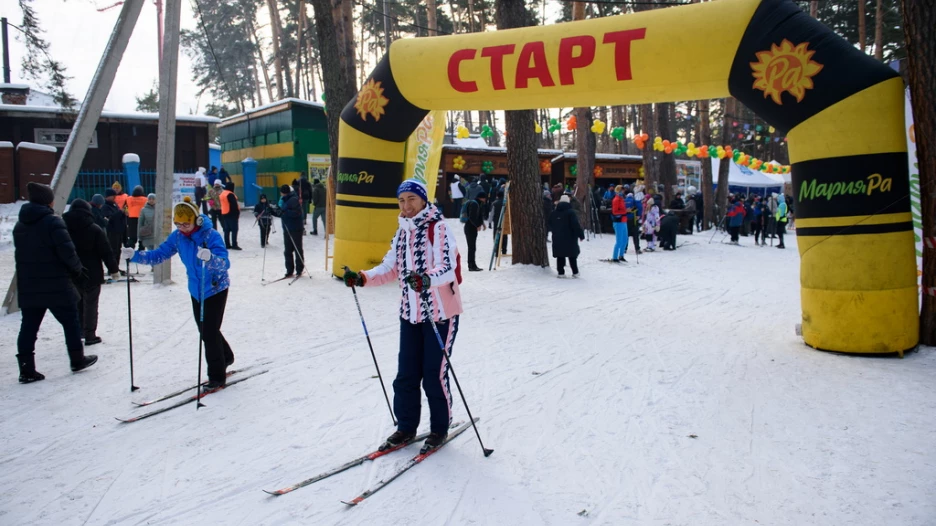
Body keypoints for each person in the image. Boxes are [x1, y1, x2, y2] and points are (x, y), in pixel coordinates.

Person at [341, 179, 463, 452]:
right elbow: (389, 267)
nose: (406, 205)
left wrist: (426, 280)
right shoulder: (402, 232)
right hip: (410, 314)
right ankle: (405, 427)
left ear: (423, 200)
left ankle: (439, 429)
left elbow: (448, 268)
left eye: (411, 199)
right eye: (401, 200)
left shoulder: (439, 227)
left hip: (439, 315)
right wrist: (362, 278)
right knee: (406, 375)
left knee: (434, 374)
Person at [121, 197, 234, 390]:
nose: (182, 227)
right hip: (196, 290)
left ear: (196, 220)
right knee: (206, 329)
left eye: (186, 224)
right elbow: (159, 255)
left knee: (208, 332)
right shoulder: (178, 237)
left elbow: (225, 264)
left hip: (215, 288)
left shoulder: (211, 236)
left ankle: (217, 376)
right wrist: (135, 256)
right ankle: (227, 356)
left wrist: (211, 258)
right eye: (178, 224)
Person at [14, 183, 98, 383]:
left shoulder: (20, 225)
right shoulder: (53, 222)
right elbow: (67, 252)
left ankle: (26, 369)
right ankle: (77, 360)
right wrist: (78, 270)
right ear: (47, 201)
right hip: (56, 284)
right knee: (70, 321)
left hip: (29, 284)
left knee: (28, 327)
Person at [63, 199, 120, 346]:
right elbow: (106, 251)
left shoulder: (63, 228)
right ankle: (90, 335)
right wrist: (113, 269)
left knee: (76, 302)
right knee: (91, 304)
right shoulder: (94, 229)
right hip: (92, 273)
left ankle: (78, 332)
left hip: (71, 272)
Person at [549, 195, 585, 277]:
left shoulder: (554, 213)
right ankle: (575, 272)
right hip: (570, 237)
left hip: (557, 237)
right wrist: (581, 235)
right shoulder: (571, 212)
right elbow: (576, 225)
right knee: (572, 255)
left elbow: (550, 223)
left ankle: (561, 272)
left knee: (560, 255)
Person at [275, 184, 304, 277]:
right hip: (287, 228)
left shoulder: (293, 200)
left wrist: (285, 212)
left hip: (295, 228)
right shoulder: (284, 199)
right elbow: (281, 213)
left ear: (284, 192)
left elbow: (296, 213)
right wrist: (272, 211)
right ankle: (289, 270)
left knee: (297, 248)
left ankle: (299, 269)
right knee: (287, 250)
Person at [102, 188, 127, 264]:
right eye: (113, 196)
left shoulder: (115, 205)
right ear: (108, 196)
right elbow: (111, 218)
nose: (114, 197)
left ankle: (116, 266)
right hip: (112, 232)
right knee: (113, 250)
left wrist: (123, 213)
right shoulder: (105, 207)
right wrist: (120, 212)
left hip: (119, 231)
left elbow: (118, 216)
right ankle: (112, 267)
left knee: (118, 250)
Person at [463, 191, 487, 271]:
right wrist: (477, 225)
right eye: (484, 198)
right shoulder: (474, 204)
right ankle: (471, 266)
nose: (485, 200)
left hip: (471, 227)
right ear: (482, 198)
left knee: (472, 247)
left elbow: (478, 216)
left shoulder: (477, 204)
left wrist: (482, 223)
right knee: (471, 247)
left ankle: (473, 265)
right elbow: (472, 217)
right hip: (470, 228)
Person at [125, 185, 148, 250]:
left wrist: (128, 213)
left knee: (132, 238)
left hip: (131, 219)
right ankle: (140, 255)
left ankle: (128, 254)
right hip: (142, 220)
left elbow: (125, 208)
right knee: (142, 238)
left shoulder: (128, 199)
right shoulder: (145, 199)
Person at [220, 182, 241, 250]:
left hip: (224, 213)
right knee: (234, 230)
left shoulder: (223, 193)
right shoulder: (230, 194)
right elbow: (234, 205)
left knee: (227, 230)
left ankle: (227, 244)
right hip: (232, 214)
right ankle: (234, 244)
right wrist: (237, 213)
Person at [610, 185, 629, 262]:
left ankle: (621, 255)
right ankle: (615, 257)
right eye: (622, 190)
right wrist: (625, 211)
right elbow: (615, 212)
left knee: (625, 240)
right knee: (619, 240)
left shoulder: (621, 199)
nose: (623, 191)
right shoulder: (616, 200)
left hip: (624, 221)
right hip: (618, 222)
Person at [490, 188, 508, 255]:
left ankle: (497, 250)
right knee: (504, 236)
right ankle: (504, 250)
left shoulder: (494, 203)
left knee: (496, 235)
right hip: (504, 221)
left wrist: (489, 222)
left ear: (497, 196)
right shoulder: (506, 203)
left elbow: (491, 213)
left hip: (496, 221)